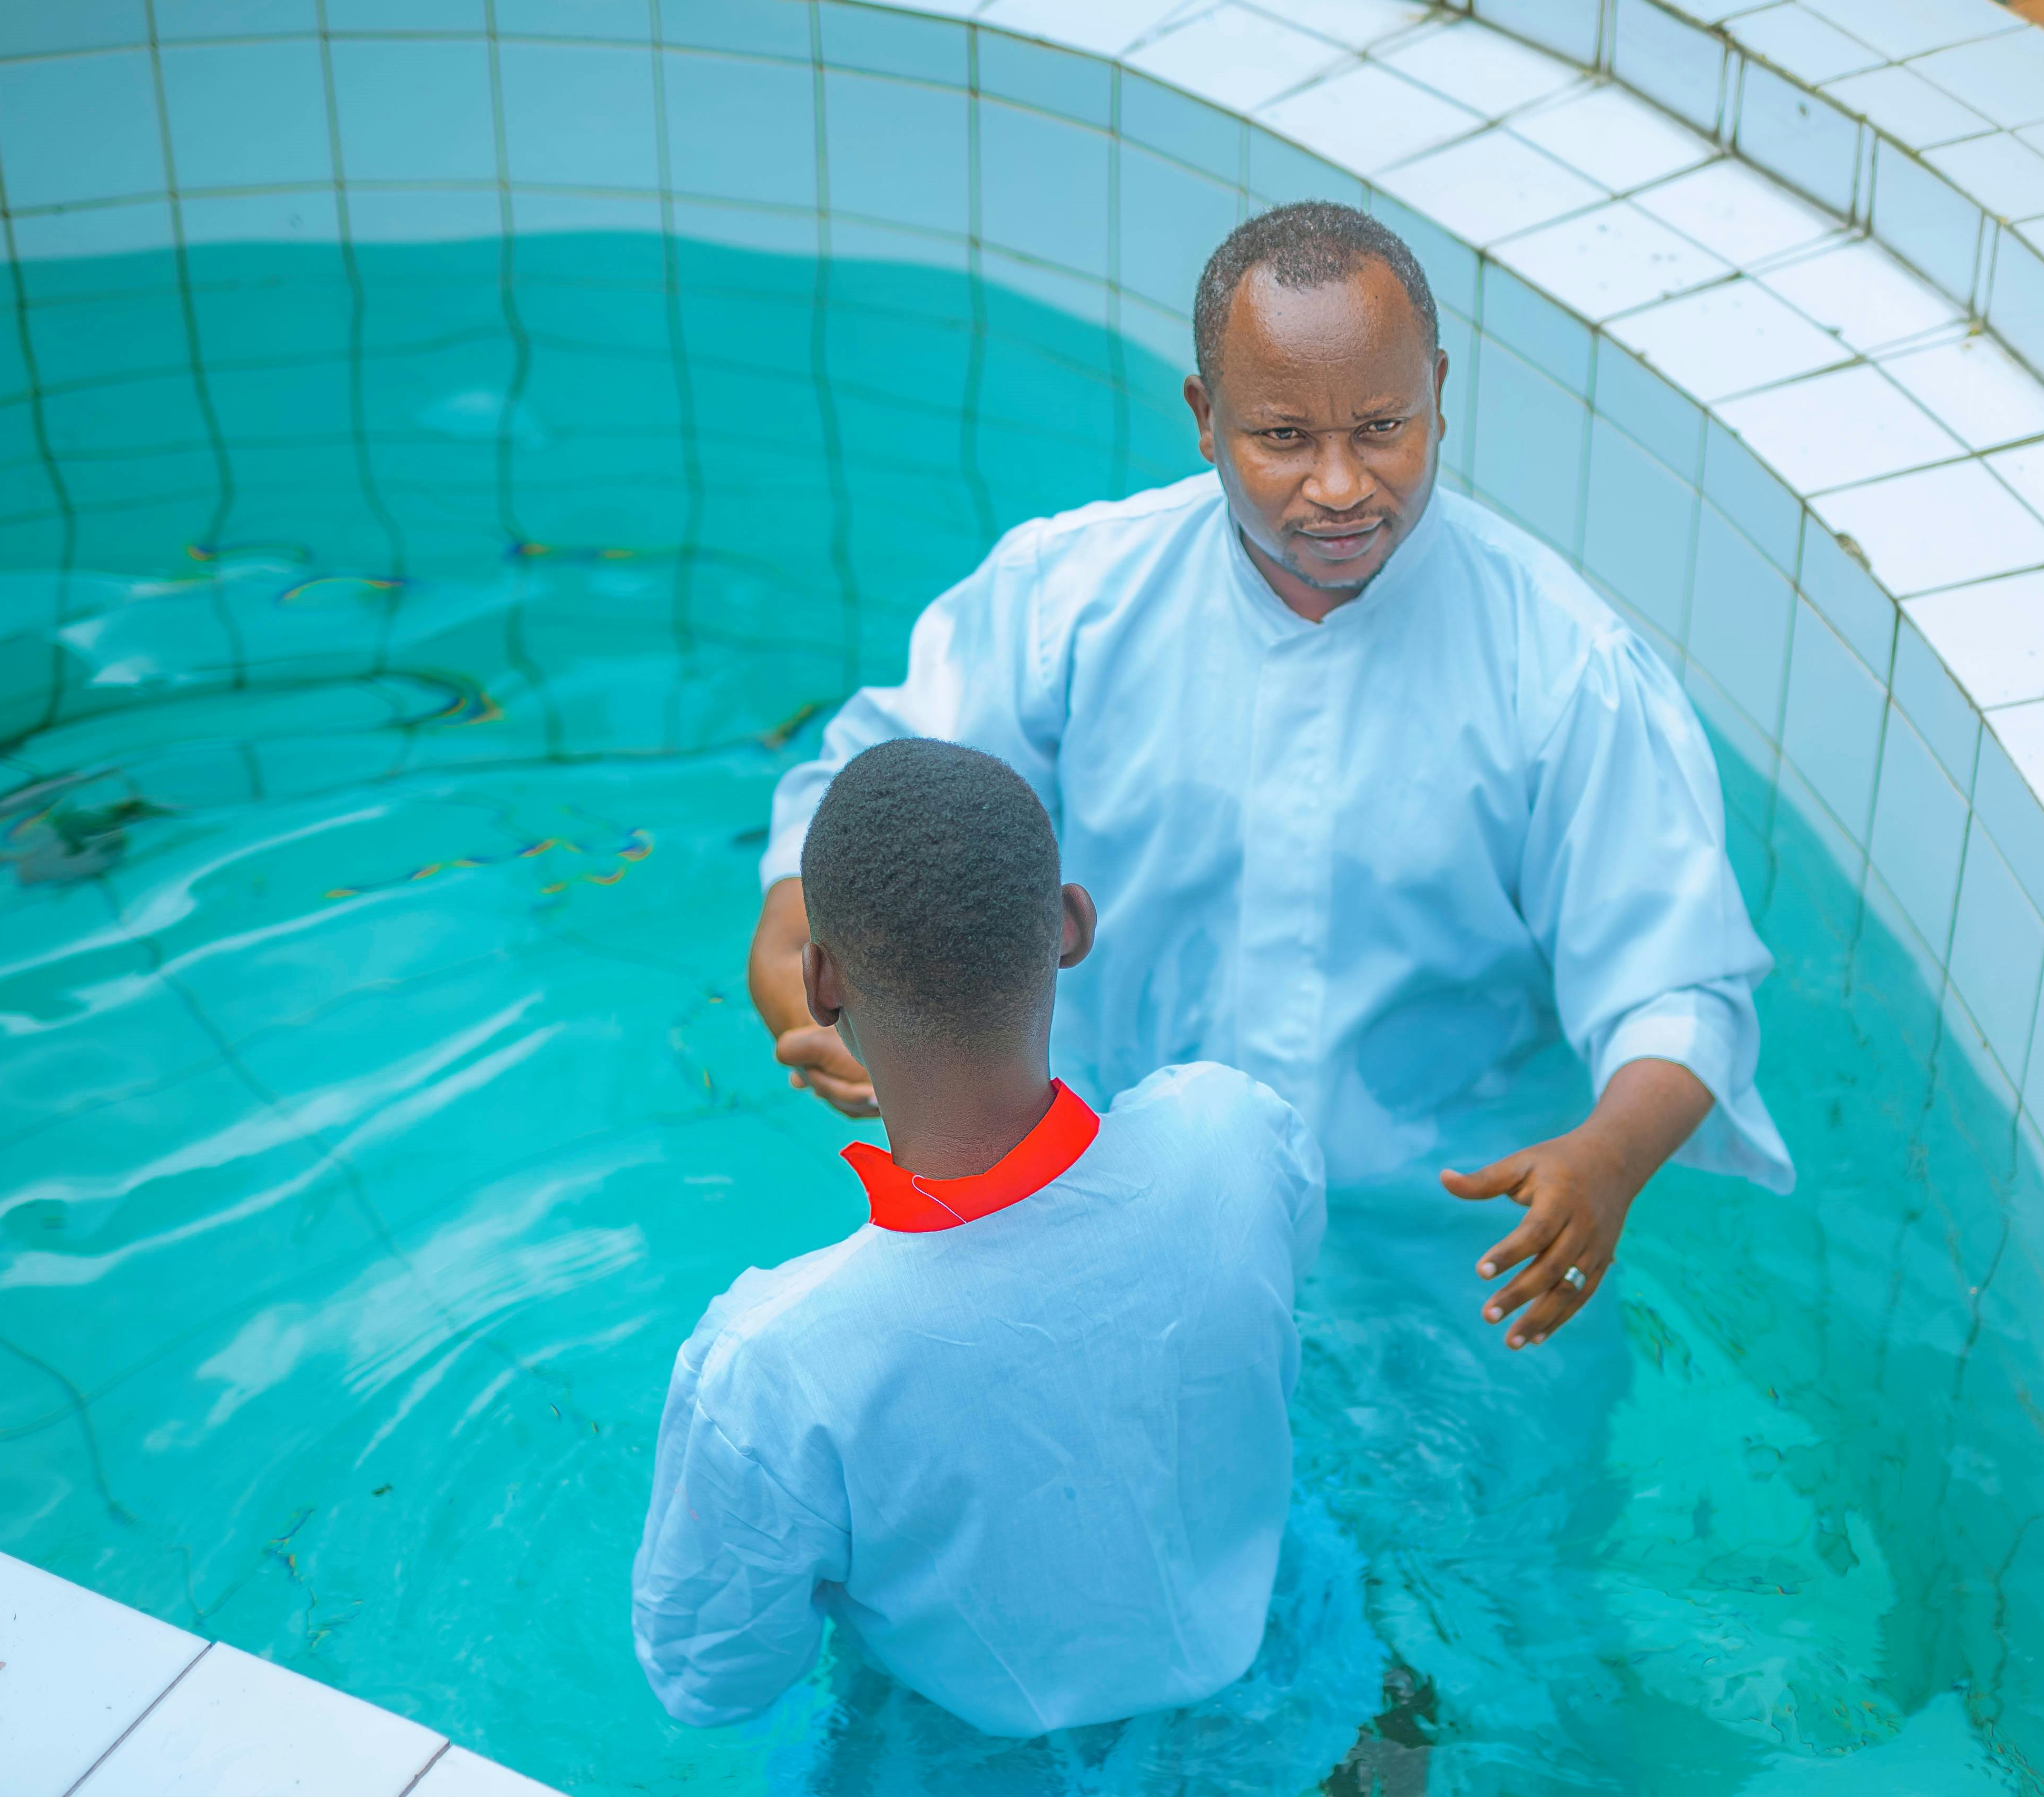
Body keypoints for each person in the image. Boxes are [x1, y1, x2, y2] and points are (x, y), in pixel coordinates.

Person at [745, 202, 1792, 1357]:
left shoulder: (1564, 671)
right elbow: (878, 785)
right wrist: (798, 933)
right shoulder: (1071, 601)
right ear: (1203, 418)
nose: (1340, 485)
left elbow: (1678, 990)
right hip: (1104, 1216)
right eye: (1282, 437)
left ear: (1440, 391)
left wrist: (1605, 1158)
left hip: (1446, 1265)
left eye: (1384, 426)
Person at [634, 737, 1382, 1797]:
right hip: (1271, 1686)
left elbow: (709, 1681)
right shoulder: (1232, 1136)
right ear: (1071, 929)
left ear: (822, 979)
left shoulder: (783, 1361)